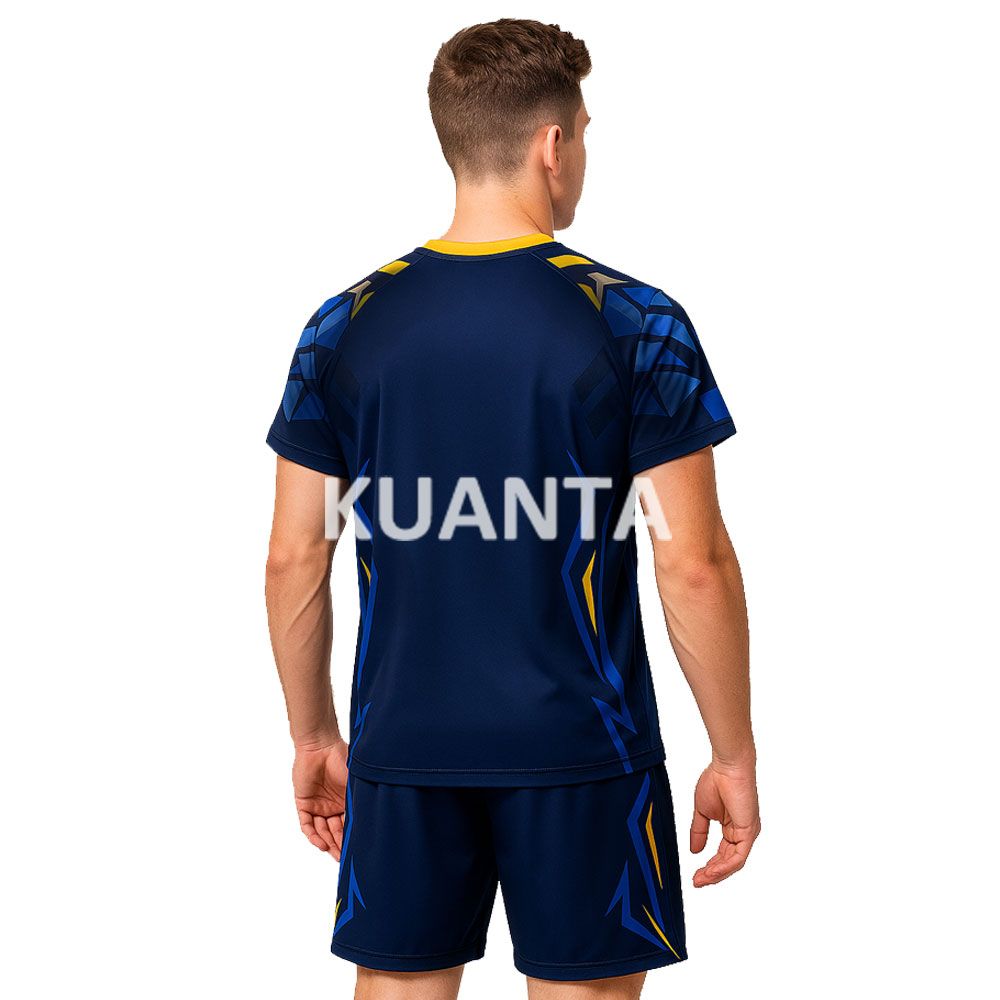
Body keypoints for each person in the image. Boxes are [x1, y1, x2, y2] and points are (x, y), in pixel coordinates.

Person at [265, 18, 759, 1000]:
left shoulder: (343, 324)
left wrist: (316, 737)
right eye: (585, 134)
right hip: (585, 749)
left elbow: (293, 559)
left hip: (403, 747)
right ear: (553, 145)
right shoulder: (635, 322)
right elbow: (691, 563)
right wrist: (732, 751)